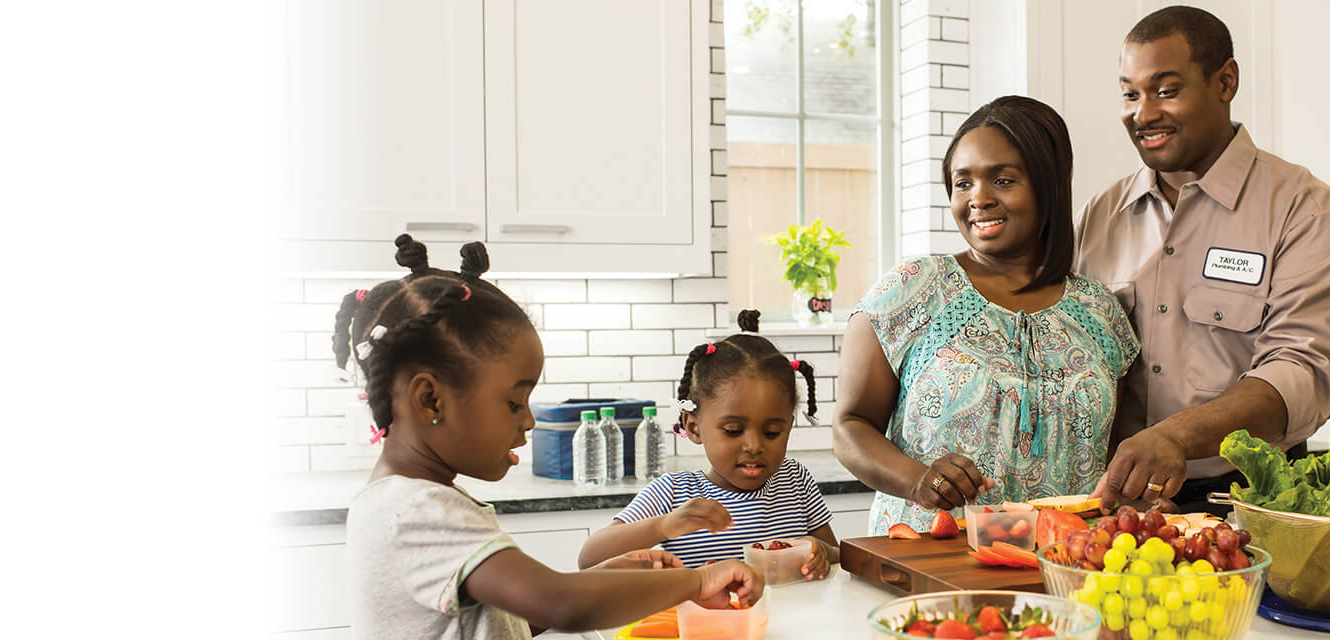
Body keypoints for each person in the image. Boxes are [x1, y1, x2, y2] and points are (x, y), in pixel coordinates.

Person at [337, 235, 764, 640]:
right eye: (513, 402)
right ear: (431, 400)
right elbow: (558, 605)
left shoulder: (399, 502)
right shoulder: (418, 512)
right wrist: (697, 580)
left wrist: (602, 579)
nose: (528, 421)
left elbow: (511, 619)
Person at [1076, 6, 1330, 513]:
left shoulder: (1307, 212)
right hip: (1112, 501)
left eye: (1166, 90)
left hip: (1248, 503)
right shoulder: (1098, 216)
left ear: (1225, 81)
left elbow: (1301, 373)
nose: (1143, 114)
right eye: (1130, 94)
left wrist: (1175, 437)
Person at [836, 96, 1141, 535]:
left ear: (1049, 185)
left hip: (1064, 566)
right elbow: (850, 426)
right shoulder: (913, 289)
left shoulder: (1101, 313)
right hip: (929, 558)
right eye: (963, 183)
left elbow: (1119, 458)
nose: (978, 198)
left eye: (1002, 180)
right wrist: (919, 479)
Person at [579, 311, 839, 578]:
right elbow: (589, 558)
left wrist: (823, 552)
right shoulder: (672, 495)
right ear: (693, 427)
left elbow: (838, 554)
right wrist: (664, 526)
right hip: (706, 620)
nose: (754, 445)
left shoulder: (796, 481)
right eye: (733, 430)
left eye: (772, 432)